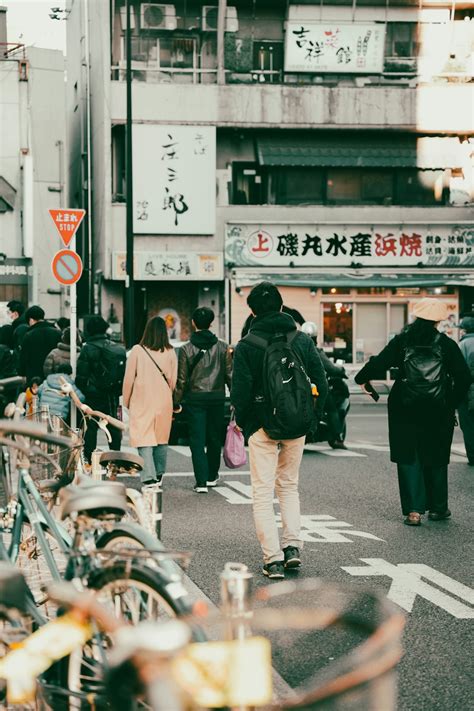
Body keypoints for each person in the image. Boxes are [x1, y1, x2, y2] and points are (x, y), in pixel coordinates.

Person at [231, 282, 328, 579]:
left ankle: (272, 559)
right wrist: (312, 419)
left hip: (262, 426)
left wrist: (249, 424)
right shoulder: (300, 339)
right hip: (297, 423)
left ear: (251, 311)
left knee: (262, 492)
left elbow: (239, 394)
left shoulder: (247, 345)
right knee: (288, 486)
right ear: (282, 306)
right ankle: (292, 548)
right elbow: (321, 382)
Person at [355, 298, 471, 526]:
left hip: (404, 407)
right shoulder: (446, 345)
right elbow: (464, 377)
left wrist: (361, 378)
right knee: (437, 456)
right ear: (438, 320)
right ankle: (438, 508)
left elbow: (379, 363)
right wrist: (450, 403)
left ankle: (414, 512)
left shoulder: (402, 341)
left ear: (416, 317)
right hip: (438, 409)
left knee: (408, 455)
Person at [173, 306, 232, 493]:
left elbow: (181, 380)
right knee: (214, 438)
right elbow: (230, 375)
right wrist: (236, 400)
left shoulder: (186, 349)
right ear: (211, 323)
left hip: (195, 399)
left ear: (193, 323)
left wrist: (175, 402)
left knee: (197, 440)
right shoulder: (223, 347)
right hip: (216, 397)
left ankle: (201, 482)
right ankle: (212, 476)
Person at [123, 316, 178, 486]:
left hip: (142, 399)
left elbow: (128, 379)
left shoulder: (138, 350)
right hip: (163, 401)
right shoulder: (170, 352)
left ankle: (148, 477)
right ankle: (159, 474)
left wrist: (126, 401)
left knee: (143, 438)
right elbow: (173, 381)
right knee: (161, 437)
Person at [76, 316, 125, 464]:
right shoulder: (117, 348)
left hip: (92, 395)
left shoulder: (87, 348)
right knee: (113, 425)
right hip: (112, 395)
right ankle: (115, 458)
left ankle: (90, 459)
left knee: (90, 427)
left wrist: (86, 390)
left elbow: (81, 376)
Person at [301, 321, 349, 449]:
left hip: (298, 387)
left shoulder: (296, 350)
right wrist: (341, 370)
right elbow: (331, 368)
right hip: (316, 387)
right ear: (315, 337)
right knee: (331, 407)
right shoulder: (315, 351)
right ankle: (338, 438)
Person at [18, 306, 61, 383]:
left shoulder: (29, 335)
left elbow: (24, 357)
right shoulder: (57, 333)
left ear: (30, 319)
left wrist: (21, 372)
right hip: (54, 376)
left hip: (34, 376)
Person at [457, 315, 474, 465]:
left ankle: (473, 457)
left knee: (468, 425)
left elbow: (458, 371)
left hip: (467, 392)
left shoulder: (462, 345)